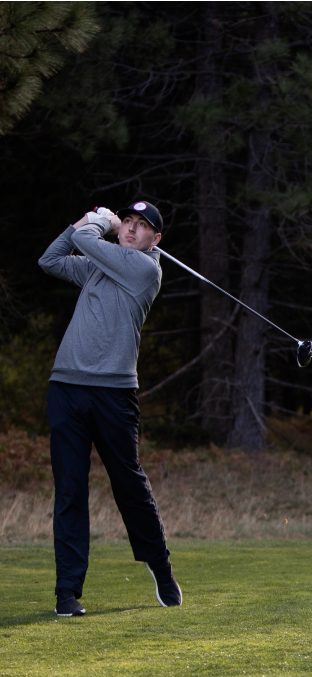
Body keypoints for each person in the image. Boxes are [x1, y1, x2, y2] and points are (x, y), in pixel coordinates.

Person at [39, 201, 182, 616]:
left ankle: (160, 565)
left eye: (143, 228)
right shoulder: (98, 268)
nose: (132, 230)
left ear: (155, 240)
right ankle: (67, 593)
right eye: (129, 223)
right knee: (69, 490)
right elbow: (49, 259)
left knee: (129, 485)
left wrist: (97, 222)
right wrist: (80, 222)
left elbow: (86, 242)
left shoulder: (145, 271)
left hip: (114, 395)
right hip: (66, 387)